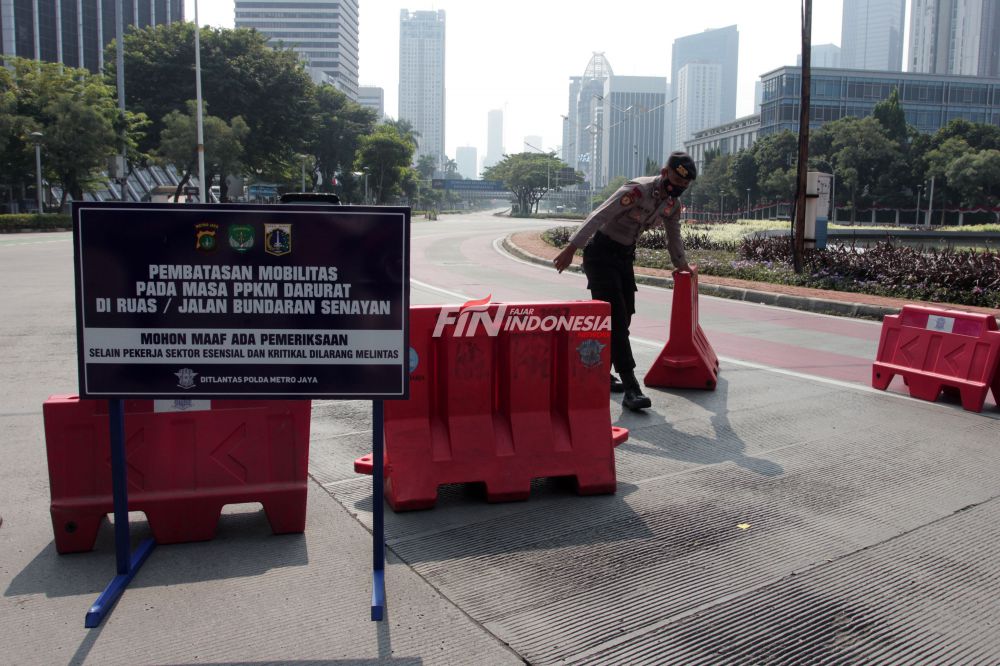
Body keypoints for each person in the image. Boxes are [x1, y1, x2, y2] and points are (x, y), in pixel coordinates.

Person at [553, 151, 697, 411]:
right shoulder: (638, 190)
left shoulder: (671, 205)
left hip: (623, 257)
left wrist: (682, 265)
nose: (677, 188)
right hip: (600, 254)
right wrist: (572, 248)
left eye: (683, 186)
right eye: (676, 181)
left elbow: (673, 235)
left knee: (625, 315)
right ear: (665, 173)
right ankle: (632, 388)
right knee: (616, 319)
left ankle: (600, 371)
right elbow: (600, 215)